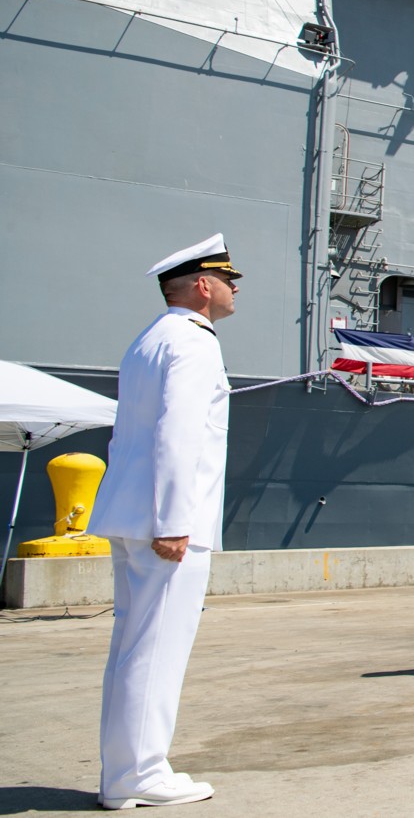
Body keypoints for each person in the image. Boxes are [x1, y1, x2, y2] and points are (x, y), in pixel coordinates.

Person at [89, 234, 241, 810]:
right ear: (204, 286)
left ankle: (124, 770)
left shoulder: (148, 340)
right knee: (156, 649)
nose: (234, 289)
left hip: (131, 513)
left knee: (132, 647)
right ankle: (140, 774)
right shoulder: (196, 343)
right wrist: (174, 521)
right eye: (229, 279)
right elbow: (178, 434)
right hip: (167, 524)